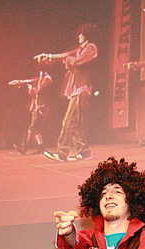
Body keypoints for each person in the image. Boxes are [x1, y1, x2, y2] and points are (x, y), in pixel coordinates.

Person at [37, 23, 99, 163]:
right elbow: (65, 55)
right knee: (75, 123)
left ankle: (62, 152)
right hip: (76, 88)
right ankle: (84, 151)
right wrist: (48, 56)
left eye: (81, 33)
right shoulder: (80, 49)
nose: (79, 36)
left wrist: (68, 61)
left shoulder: (91, 48)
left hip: (82, 88)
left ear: (86, 35)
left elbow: (77, 61)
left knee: (69, 121)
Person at [9, 68, 53, 155]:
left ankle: (24, 147)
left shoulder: (47, 79)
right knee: (36, 128)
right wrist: (20, 82)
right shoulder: (42, 79)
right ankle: (41, 147)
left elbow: (37, 91)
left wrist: (30, 87)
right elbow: (33, 85)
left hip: (42, 106)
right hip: (38, 105)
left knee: (32, 127)